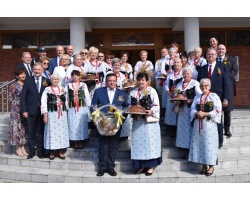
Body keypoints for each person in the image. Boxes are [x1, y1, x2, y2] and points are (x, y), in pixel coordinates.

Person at [91, 73, 128, 176]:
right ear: (106, 82)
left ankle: (111, 167)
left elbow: (126, 108)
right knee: (103, 145)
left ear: (116, 82)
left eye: (113, 81)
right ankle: (102, 167)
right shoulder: (99, 92)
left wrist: (120, 121)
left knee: (113, 145)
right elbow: (93, 105)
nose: (111, 82)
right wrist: (95, 119)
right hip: (102, 123)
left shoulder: (122, 93)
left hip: (115, 124)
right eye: (109, 81)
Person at [128, 72, 162, 176]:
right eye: (139, 80)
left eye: (143, 80)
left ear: (147, 81)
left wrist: (151, 111)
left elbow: (156, 105)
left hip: (149, 123)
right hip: (138, 122)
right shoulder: (133, 92)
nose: (140, 82)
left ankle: (150, 166)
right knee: (139, 144)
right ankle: (141, 165)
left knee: (150, 143)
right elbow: (130, 105)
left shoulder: (151, 91)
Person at [197, 47, 230, 149]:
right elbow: (199, 84)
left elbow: (226, 84)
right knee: (207, 119)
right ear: (206, 56)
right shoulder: (202, 68)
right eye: (208, 54)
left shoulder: (222, 67)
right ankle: (206, 139)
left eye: (212, 54)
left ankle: (219, 141)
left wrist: (225, 98)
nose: (210, 56)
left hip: (218, 97)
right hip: (205, 98)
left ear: (216, 56)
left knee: (217, 119)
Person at [189, 78, 222, 176]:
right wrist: (197, 112)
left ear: (209, 86)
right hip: (198, 124)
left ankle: (211, 166)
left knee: (210, 144)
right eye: (202, 86)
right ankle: (203, 165)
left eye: (206, 86)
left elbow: (217, 110)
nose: (204, 87)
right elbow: (192, 109)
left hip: (209, 125)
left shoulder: (213, 96)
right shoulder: (197, 97)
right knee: (200, 144)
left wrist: (205, 113)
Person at [20, 62, 50, 159]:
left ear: (42, 70)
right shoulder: (28, 81)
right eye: (35, 70)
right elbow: (23, 97)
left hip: (42, 111)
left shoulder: (47, 81)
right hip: (30, 111)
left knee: (41, 132)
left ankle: (40, 152)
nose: (37, 71)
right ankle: (31, 152)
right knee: (31, 132)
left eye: (39, 70)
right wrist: (24, 110)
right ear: (33, 71)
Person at [174, 66, 202, 158]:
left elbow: (199, 96)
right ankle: (183, 147)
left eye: (188, 74)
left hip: (191, 109)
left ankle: (191, 148)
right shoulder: (179, 84)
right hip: (182, 110)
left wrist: (191, 100)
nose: (186, 75)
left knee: (190, 128)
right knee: (182, 128)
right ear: (182, 74)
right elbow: (176, 94)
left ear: (191, 74)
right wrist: (177, 99)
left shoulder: (195, 83)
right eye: (185, 74)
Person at [41, 74, 69, 160]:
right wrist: (45, 114)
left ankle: (61, 151)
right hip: (51, 114)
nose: (55, 81)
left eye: (57, 79)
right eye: (54, 79)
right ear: (51, 80)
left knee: (61, 131)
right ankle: (52, 151)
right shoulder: (47, 89)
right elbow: (44, 102)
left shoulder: (63, 89)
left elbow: (67, 101)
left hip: (62, 115)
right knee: (52, 132)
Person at [217, 44, 238, 137]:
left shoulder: (232, 59)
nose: (221, 50)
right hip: (217, 87)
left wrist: (225, 78)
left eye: (222, 49)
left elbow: (234, 71)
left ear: (225, 50)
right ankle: (219, 128)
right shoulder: (215, 59)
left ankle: (227, 129)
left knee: (227, 110)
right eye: (219, 49)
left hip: (228, 86)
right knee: (218, 109)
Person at [65, 70, 91, 150]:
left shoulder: (83, 85)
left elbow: (86, 96)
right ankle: (75, 142)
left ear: (79, 76)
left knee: (81, 124)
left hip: (81, 107)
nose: (75, 77)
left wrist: (88, 105)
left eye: (77, 75)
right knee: (73, 125)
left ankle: (81, 141)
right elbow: (66, 97)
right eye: (73, 75)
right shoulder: (68, 85)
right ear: (72, 77)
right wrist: (67, 106)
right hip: (72, 108)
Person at [8, 68, 28, 157]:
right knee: (17, 128)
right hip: (16, 108)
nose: (23, 75)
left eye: (24, 74)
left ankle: (23, 146)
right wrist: (15, 107)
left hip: (25, 107)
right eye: (21, 74)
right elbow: (10, 98)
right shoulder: (13, 85)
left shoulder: (27, 84)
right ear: (17, 76)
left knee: (24, 128)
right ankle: (17, 148)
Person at [164, 57, 183, 138]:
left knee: (178, 112)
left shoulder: (183, 73)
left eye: (178, 62)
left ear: (181, 64)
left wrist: (178, 95)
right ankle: (171, 129)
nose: (176, 64)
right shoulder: (170, 74)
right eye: (175, 62)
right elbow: (166, 85)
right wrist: (169, 93)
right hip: (171, 96)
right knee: (170, 113)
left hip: (179, 97)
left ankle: (178, 129)